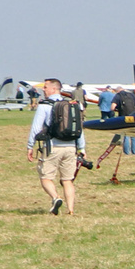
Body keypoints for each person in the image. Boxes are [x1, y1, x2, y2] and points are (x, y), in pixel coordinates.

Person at [26, 78, 85, 216]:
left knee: (46, 177)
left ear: (54, 89)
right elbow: (79, 129)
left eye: (45, 87)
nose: (43, 89)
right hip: (71, 147)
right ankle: (71, 210)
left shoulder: (44, 105)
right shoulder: (73, 105)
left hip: (52, 146)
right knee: (67, 180)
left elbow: (36, 128)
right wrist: (82, 148)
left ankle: (55, 198)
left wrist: (30, 146)